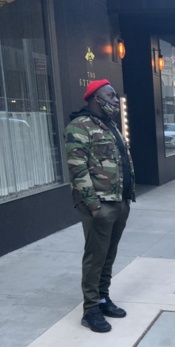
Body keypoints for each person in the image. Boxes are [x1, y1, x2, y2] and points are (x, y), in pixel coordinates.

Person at [65, 79, 135, 333]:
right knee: (95, 257)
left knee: (109, 254)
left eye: (116, 96)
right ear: (97, 98)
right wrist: (94, 206)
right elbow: (77, 168)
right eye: (111, 96)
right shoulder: (79, 126)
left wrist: (127, 197)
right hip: (99, 205)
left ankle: (103, 298)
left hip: (119, 201)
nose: (116, 101)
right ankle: (90, 309)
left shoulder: (111, 126)